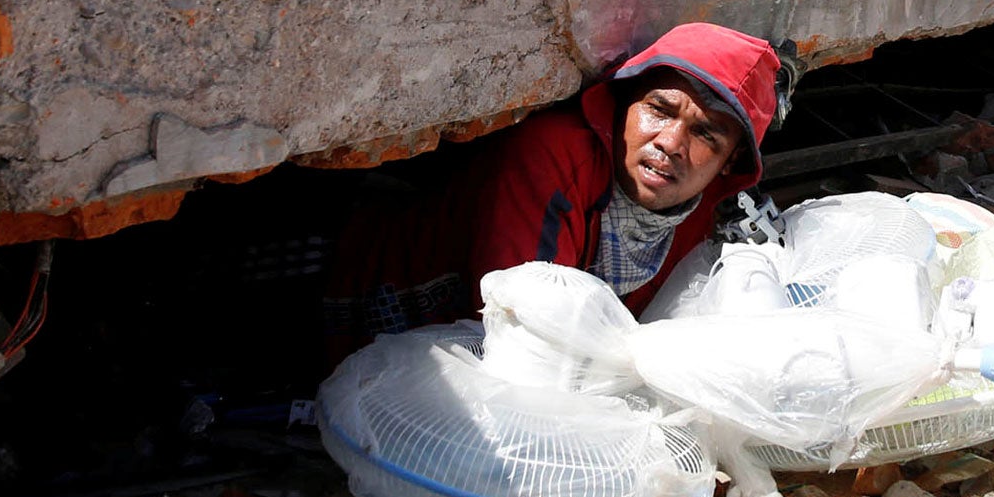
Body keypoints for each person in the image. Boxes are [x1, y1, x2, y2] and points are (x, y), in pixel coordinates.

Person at [324, 22, 781, 348]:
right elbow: (522, 329)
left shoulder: (694, 207)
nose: (671, 143)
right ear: (624, 103)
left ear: (730, 162)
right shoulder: (554, 157)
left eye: (705, 135)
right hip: (363, 309)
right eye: (659, 109)